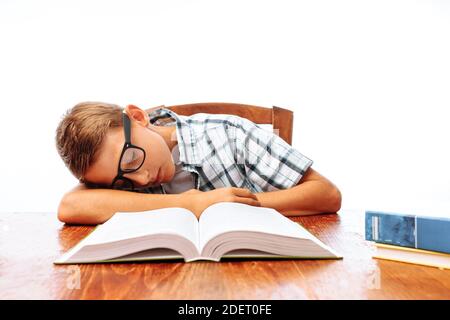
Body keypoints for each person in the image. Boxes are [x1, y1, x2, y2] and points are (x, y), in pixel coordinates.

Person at [55, 102, 342, 225]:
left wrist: (234, 206)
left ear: (139, 117)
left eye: (131, 159)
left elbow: (326, 194)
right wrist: (190, 205)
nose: (140, 180)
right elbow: (71, 206)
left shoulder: (229, 133)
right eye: (122, 182)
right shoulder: (117, 170)